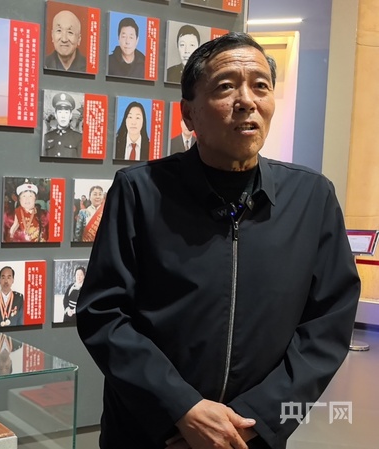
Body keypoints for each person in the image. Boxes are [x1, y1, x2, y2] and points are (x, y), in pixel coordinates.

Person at [77, 32, 361, 449]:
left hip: (252, 437)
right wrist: (182, 409)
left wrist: (254, 420)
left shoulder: (312, 197)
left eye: (260, 86)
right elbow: (103, 313)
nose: (247, 101)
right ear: (189, 114)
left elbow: (328, 323)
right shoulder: (141, 191)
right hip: (152, 434)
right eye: (226, 86)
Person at [43, 92, 82, 158]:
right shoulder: (47, 137)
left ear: (70, 115)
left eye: (66, 112)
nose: (63, 116)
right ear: (56, 115)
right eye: (60, 112)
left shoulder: (79, 138)